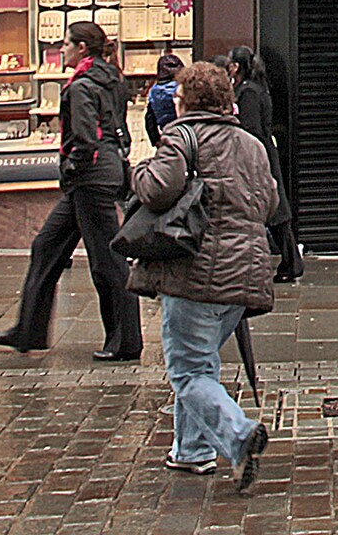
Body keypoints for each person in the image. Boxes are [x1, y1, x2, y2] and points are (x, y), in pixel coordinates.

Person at [130, 59, 275, 490]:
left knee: (189, 372)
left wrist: (137, 170)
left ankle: (239, 434)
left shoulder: (181, 137)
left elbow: (157, 189)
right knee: (201, 363)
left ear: (188, 101)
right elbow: (267, 202)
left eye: (177, 97)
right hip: (243, 275)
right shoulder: (252, 145)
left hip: (194, 273)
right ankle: (191, 451)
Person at [0, 19, 141, 361]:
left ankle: (125, 340)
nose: (62, 49)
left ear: (82, 48)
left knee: (108, 262)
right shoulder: (113, 77)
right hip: (99, 174)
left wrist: (74, 164)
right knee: (46, 246)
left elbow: (85, 136)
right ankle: (28, 329)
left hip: (89, 179)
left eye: (67, 43)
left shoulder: (80, 87)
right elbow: (118, 126)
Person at [226, 46, 304, 283]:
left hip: (258, 157)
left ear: (236, 66)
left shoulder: (248, 92)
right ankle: (290, 261)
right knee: (275, 208)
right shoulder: (255, 88)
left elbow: (251, 129)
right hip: (263, 154)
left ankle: (291, 262)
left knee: (275, 210)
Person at [145, 52, 185, 147]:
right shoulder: (182, 88)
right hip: (185, 134)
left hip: (167, 135)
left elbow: (149, 120)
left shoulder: (154, 92)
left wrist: (155, 141)